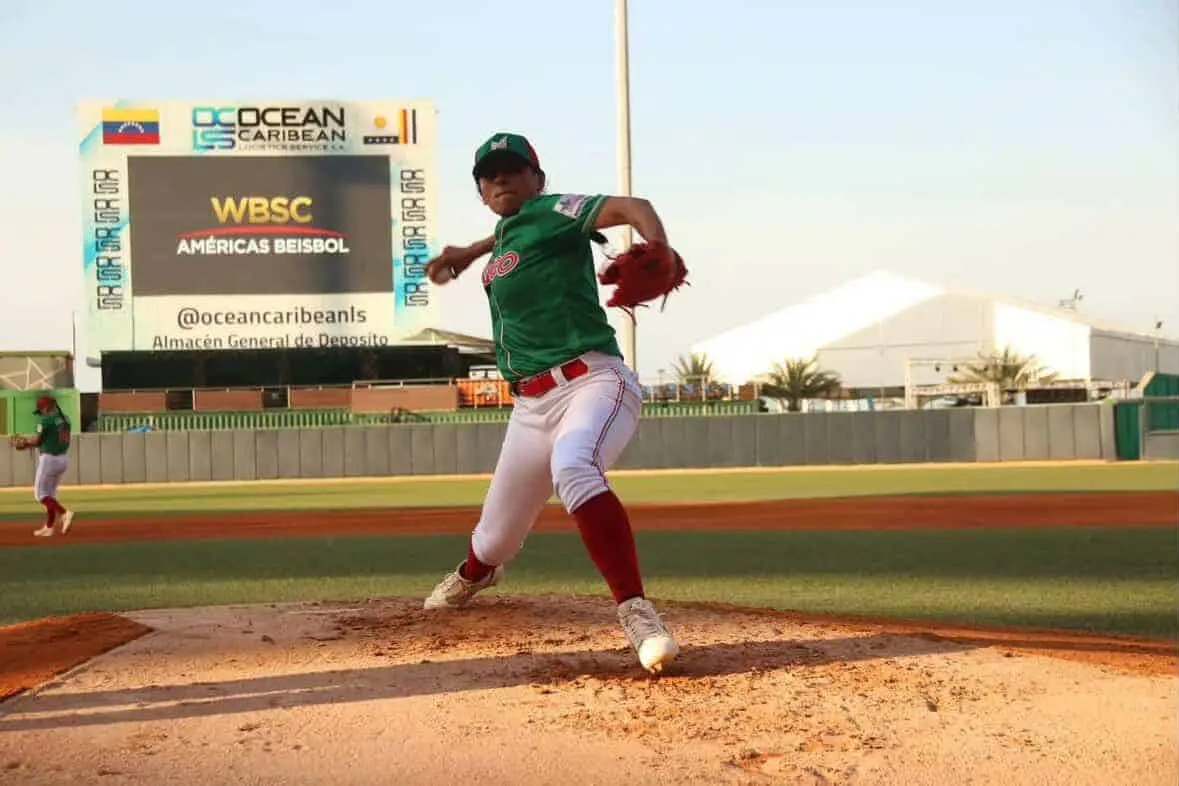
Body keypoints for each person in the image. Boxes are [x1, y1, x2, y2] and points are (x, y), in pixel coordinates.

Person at [421, 132, 680, 674]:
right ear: (482, 191)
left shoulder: (552, 211)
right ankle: (477, 573)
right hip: (530, 406)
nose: (500, 179)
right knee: (493, 540)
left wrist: (659, 245)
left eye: (513, 170)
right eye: (489, 175)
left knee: (575, 465)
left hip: (592, 381)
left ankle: (637, 611)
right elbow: (512, 238)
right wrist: (468, 253)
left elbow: (635, 207)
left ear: (537, 180)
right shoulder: (514, 231)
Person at [13, 395, 76, 537]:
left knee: (40, 495)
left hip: (49, 459)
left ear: (46, 407)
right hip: (63, 459)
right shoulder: (66, 419)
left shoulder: (45, 420)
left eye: (41, 409)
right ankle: (49, 527)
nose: (41, 413)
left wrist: (25, 444)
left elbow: (37, 441)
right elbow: (52, 436)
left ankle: (65, 513)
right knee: (50, 496)